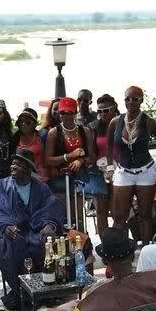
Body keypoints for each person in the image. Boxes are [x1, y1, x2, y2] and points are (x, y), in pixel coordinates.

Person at [0, 149, 65, 311]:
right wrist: (5, 227)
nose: (12, 167)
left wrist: (49, 225)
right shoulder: (2, 187)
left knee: (45, 242)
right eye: (12, 164)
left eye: (17, 165)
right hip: (10, 233)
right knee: (12, 243)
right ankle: (21, 291)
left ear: (28, 168)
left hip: (34, 231)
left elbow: (51, 208)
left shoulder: (41, 188)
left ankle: (45, 289)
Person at [105, 86, 156, 243]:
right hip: (123, 171)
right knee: (119, 216)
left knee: (145, 214)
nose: (130, 102)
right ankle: (120, 250)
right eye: (127, 99)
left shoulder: (150, 122)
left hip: (146, 171)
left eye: (135, 99)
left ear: (141, 100)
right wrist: (110, 168)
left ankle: (146, 249)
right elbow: (109, 145)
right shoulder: (116, 122)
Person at [45, 97, 97, 231]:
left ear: (75, 113)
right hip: (59, 178)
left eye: (70, 113)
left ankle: (81, 242)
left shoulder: (85, 131)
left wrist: (81, 160)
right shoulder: (54, 132)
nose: (66, 116)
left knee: (78, 218)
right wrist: (68, 156)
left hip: (79, 178)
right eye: (63, 113)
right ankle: (64, 242)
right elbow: (48, 160)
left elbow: (92, 156)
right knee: (62, 217)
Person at [87, 94, 119, 237]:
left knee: (118, 211)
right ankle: (105, 244)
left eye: (106, 110)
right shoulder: (94, 127)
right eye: (99, 111)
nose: (102, 114)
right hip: (99, 172)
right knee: (101, 211)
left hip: (119, 171)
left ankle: (119, 243)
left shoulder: (121, 124)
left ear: (114, 108)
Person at [13, 107, 48, 182]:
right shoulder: (15, 138)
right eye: (21, 121)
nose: (23, 124)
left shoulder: (42, 135)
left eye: (28, 122)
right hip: (22, 177)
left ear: (34, 124)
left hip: (42, 177)